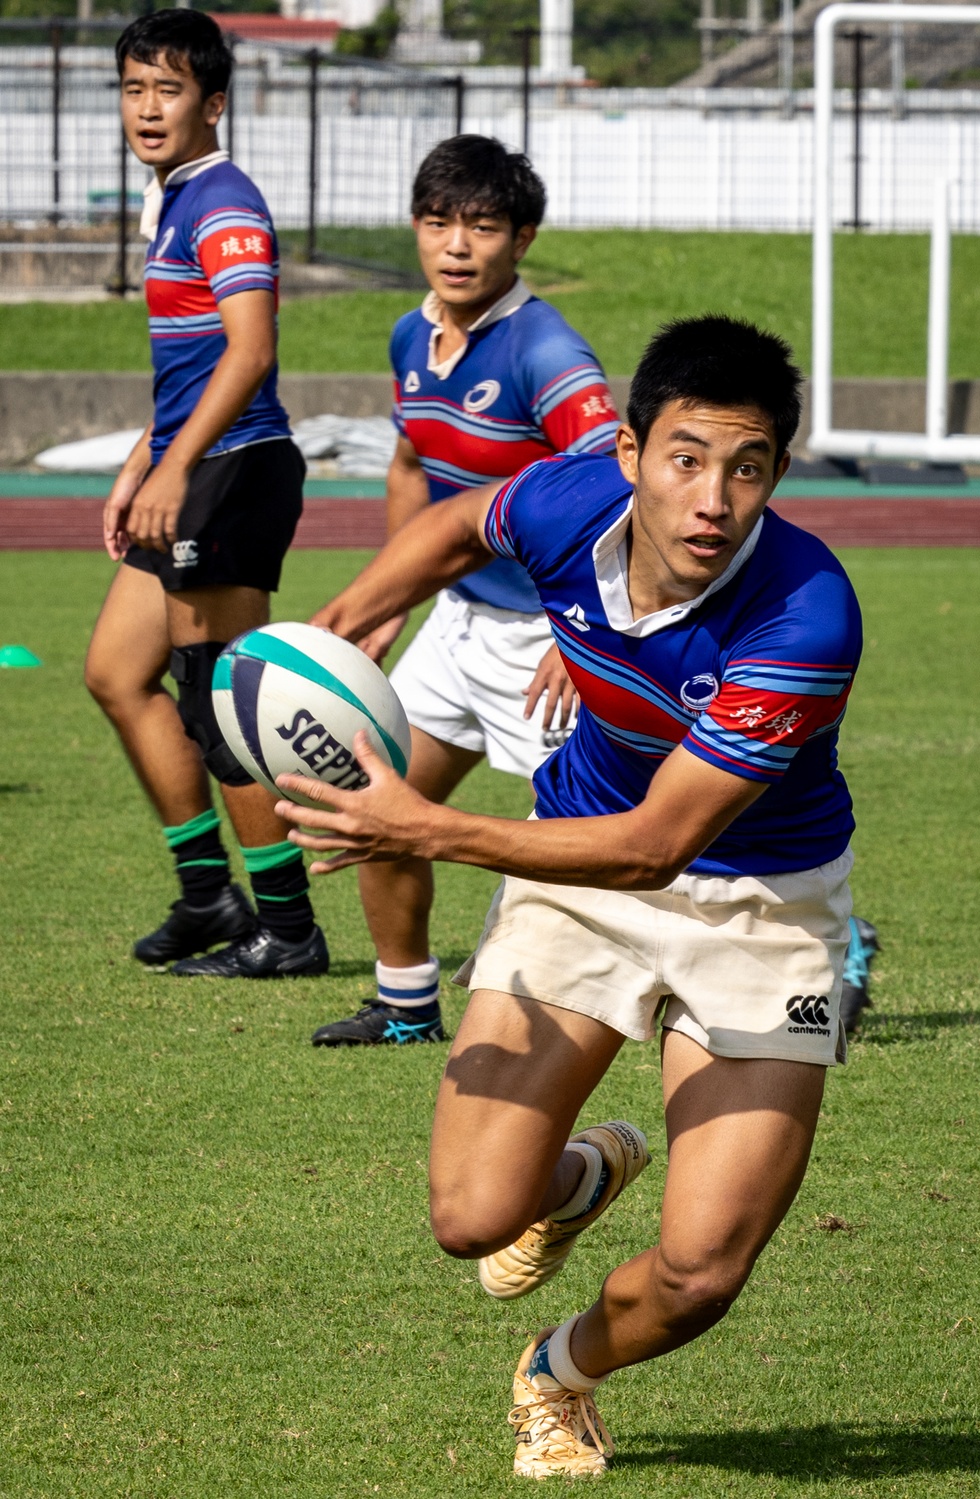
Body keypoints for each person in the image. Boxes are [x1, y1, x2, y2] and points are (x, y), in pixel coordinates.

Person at [275, 316, 865, 1478]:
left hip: (761, 907)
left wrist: (429, 828)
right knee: (470, 1218)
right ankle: (583, 1173)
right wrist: (344, 625)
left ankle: (560, 1370)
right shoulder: (563, 501)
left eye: (746, 468)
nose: (712, 499)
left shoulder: (808, 614)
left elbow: (656, 846)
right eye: (686, 458)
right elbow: (456, 523)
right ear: (632, 451)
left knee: (702, 1271)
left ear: (776, 475)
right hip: (573, 873)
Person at [308, 135, 619, 1046]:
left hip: (546, 641)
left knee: (594, 841)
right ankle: (405, 1005)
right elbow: (412, 460)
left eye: (482, 226)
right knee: (377, 790)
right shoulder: (414, 333)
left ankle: (827, 934)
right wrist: (399, 595)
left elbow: (616, 490)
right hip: (456, 623)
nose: (456, 244)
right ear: (415, 227)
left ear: (522, 237)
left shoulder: (547, 351)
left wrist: (582, 633)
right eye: (439, 222)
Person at [84, 9, 327, 979]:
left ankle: (288, 924)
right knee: (114, 672)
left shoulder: (222, 199)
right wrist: (142, 458)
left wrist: (177, 467)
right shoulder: (176, 197)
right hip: (195, 462)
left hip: (233, 471)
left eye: (169, 89)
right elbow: (189, 366)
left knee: (215, 704)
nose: (148, 107)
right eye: (134, 87)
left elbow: (251, 349)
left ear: (213, 103)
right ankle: (207, 894)